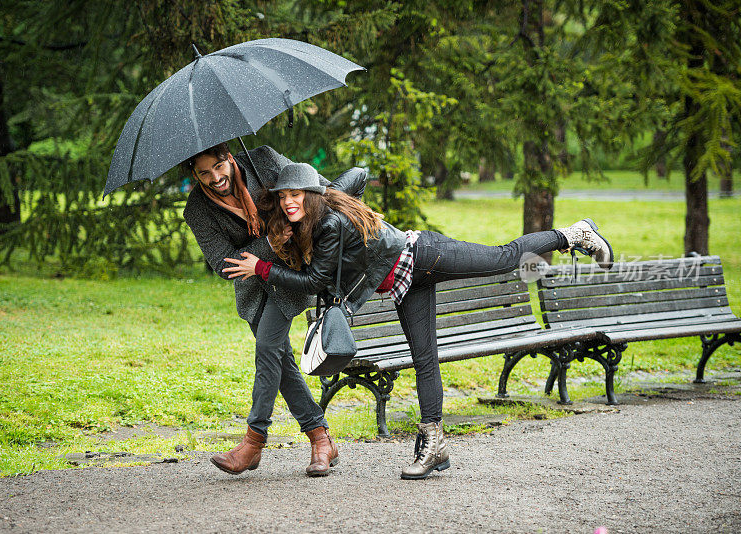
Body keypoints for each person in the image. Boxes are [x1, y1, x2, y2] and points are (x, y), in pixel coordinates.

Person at [222, 162, 614, 480]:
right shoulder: (317, 215)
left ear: (312, 192)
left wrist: (262, 268)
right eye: (284, 197)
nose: (290, 202)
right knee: (424, 358)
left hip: (423, 254)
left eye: (297, 194)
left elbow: (316, 281)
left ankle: (573, 233)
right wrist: (329, 194)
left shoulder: (327, 222)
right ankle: (434, 444)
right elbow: (357, 173)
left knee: (502, 258)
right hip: (405, 283)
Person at [182, 142, 367, 477]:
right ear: (194, 173)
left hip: (294, 275)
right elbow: (224, 265)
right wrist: (268, 243)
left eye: (219, 167)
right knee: (280, 363)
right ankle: (321, 438)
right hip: (254, 290)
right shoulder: (197, 209)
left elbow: (314, 189)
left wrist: (306, 230)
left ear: (229, 157)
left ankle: (253, 442)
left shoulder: (263, 161)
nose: (215, 178)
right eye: (204, 173)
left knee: (267, 348)